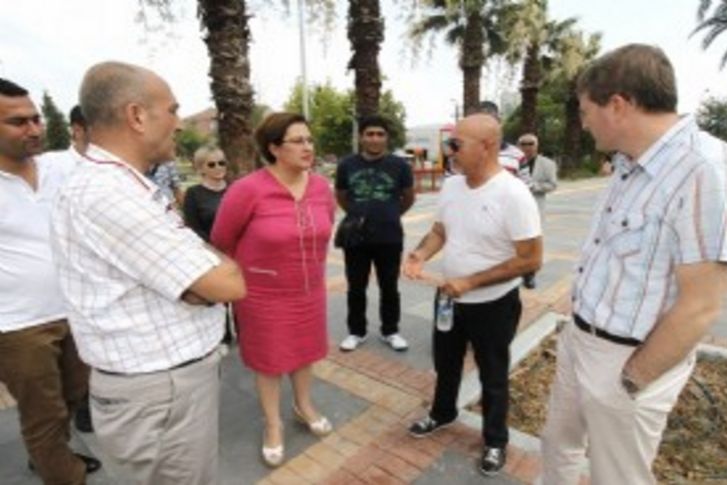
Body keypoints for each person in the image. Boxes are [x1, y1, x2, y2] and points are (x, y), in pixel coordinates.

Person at [540, 44, 727, 485]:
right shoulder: (629, 163)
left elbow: (701, 305)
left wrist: (630, 381)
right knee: (557, 446)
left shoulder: (710, 171)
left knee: (618, 476)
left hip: (630, 359)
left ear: (619, 105)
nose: (583, 123)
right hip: (581, 338)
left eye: (586, 111)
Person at [50, 61, 246, 484]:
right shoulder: (110, 194)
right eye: (172, 110)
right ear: (137, 115)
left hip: (161, 389)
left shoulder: (124, 185)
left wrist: (198, 270)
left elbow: (200, 280)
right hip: (161, 395)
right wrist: (207, 269)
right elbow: (227, 283)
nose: (178, 124)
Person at [403, 114, 543, 476]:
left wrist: (472, 282)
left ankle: (496, 440)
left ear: (487, 146)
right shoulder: (452, 186)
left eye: (456, 144)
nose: (449, 151)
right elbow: (440, 230)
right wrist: (420, 253)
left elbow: (531, 259)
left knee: (492, 374)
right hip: (450, 299)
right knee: (445, 363)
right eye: (450, 143)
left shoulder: (514, 195)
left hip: (493, 304)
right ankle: (442, 412)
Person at [211, 112, 335, 468]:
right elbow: (221, 240)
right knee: (269, 361)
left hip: (309, 290)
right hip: (263, 296)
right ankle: (272, 423)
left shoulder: (321, 188)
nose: (308, 147)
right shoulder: (247, 190)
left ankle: (303, 405)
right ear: (274, 148)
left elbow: (324, 231)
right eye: (298, 141)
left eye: (309, 140)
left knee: (305, 352)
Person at [0, 78, 101, 484]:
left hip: (75, 311)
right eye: (18, 122)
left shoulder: (59, 167)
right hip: (18, 326)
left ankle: (48, 455)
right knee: (43, 413)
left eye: (36, 118)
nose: (35, 129)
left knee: (73, 395)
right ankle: (61, 472)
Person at [36, 104, 95, 433]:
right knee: (50, 385)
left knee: (85, 364)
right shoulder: (50, 166)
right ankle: (53, 449)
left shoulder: (115, 169)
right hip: (46, 298)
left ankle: (87, 406)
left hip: (91, 288)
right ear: (77, 128)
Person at [335, 115, 415, 352]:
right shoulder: (347, 165)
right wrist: (358, 214)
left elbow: (408, 197)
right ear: (361, 137)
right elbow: (341, 195)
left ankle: (390, 331)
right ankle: (356, 331)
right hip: (355, 237)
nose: (375, 138)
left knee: (389, 287)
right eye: (369, 133)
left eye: (380, 134)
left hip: (389, 236)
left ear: (386, 138)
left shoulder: (400, 166)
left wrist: (389, 213)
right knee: (356, 286)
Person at [516, 133, 558, 289]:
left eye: (530, 143)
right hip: (513, 209)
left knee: (532, 243)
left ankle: (529, 275)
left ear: (537, 145)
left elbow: (553, 185)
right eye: (523, 143)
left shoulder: (548, 164)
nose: (527, 147)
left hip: (535, 209)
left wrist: (535, 186)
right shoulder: (513, 162)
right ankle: (512, 273)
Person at [183, 145, 229, 242]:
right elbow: (193, 229)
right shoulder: (193, 194)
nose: (218, 167)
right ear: (201, 168)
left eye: (221, 163)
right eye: (211, 165)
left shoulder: (235, 189)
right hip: (210, 249)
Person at [477, 100, 523, 175]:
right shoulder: (462, 154)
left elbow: (526, 185)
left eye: (490, 121)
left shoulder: (518, 155)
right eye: (480, 122)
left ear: (499, 122)